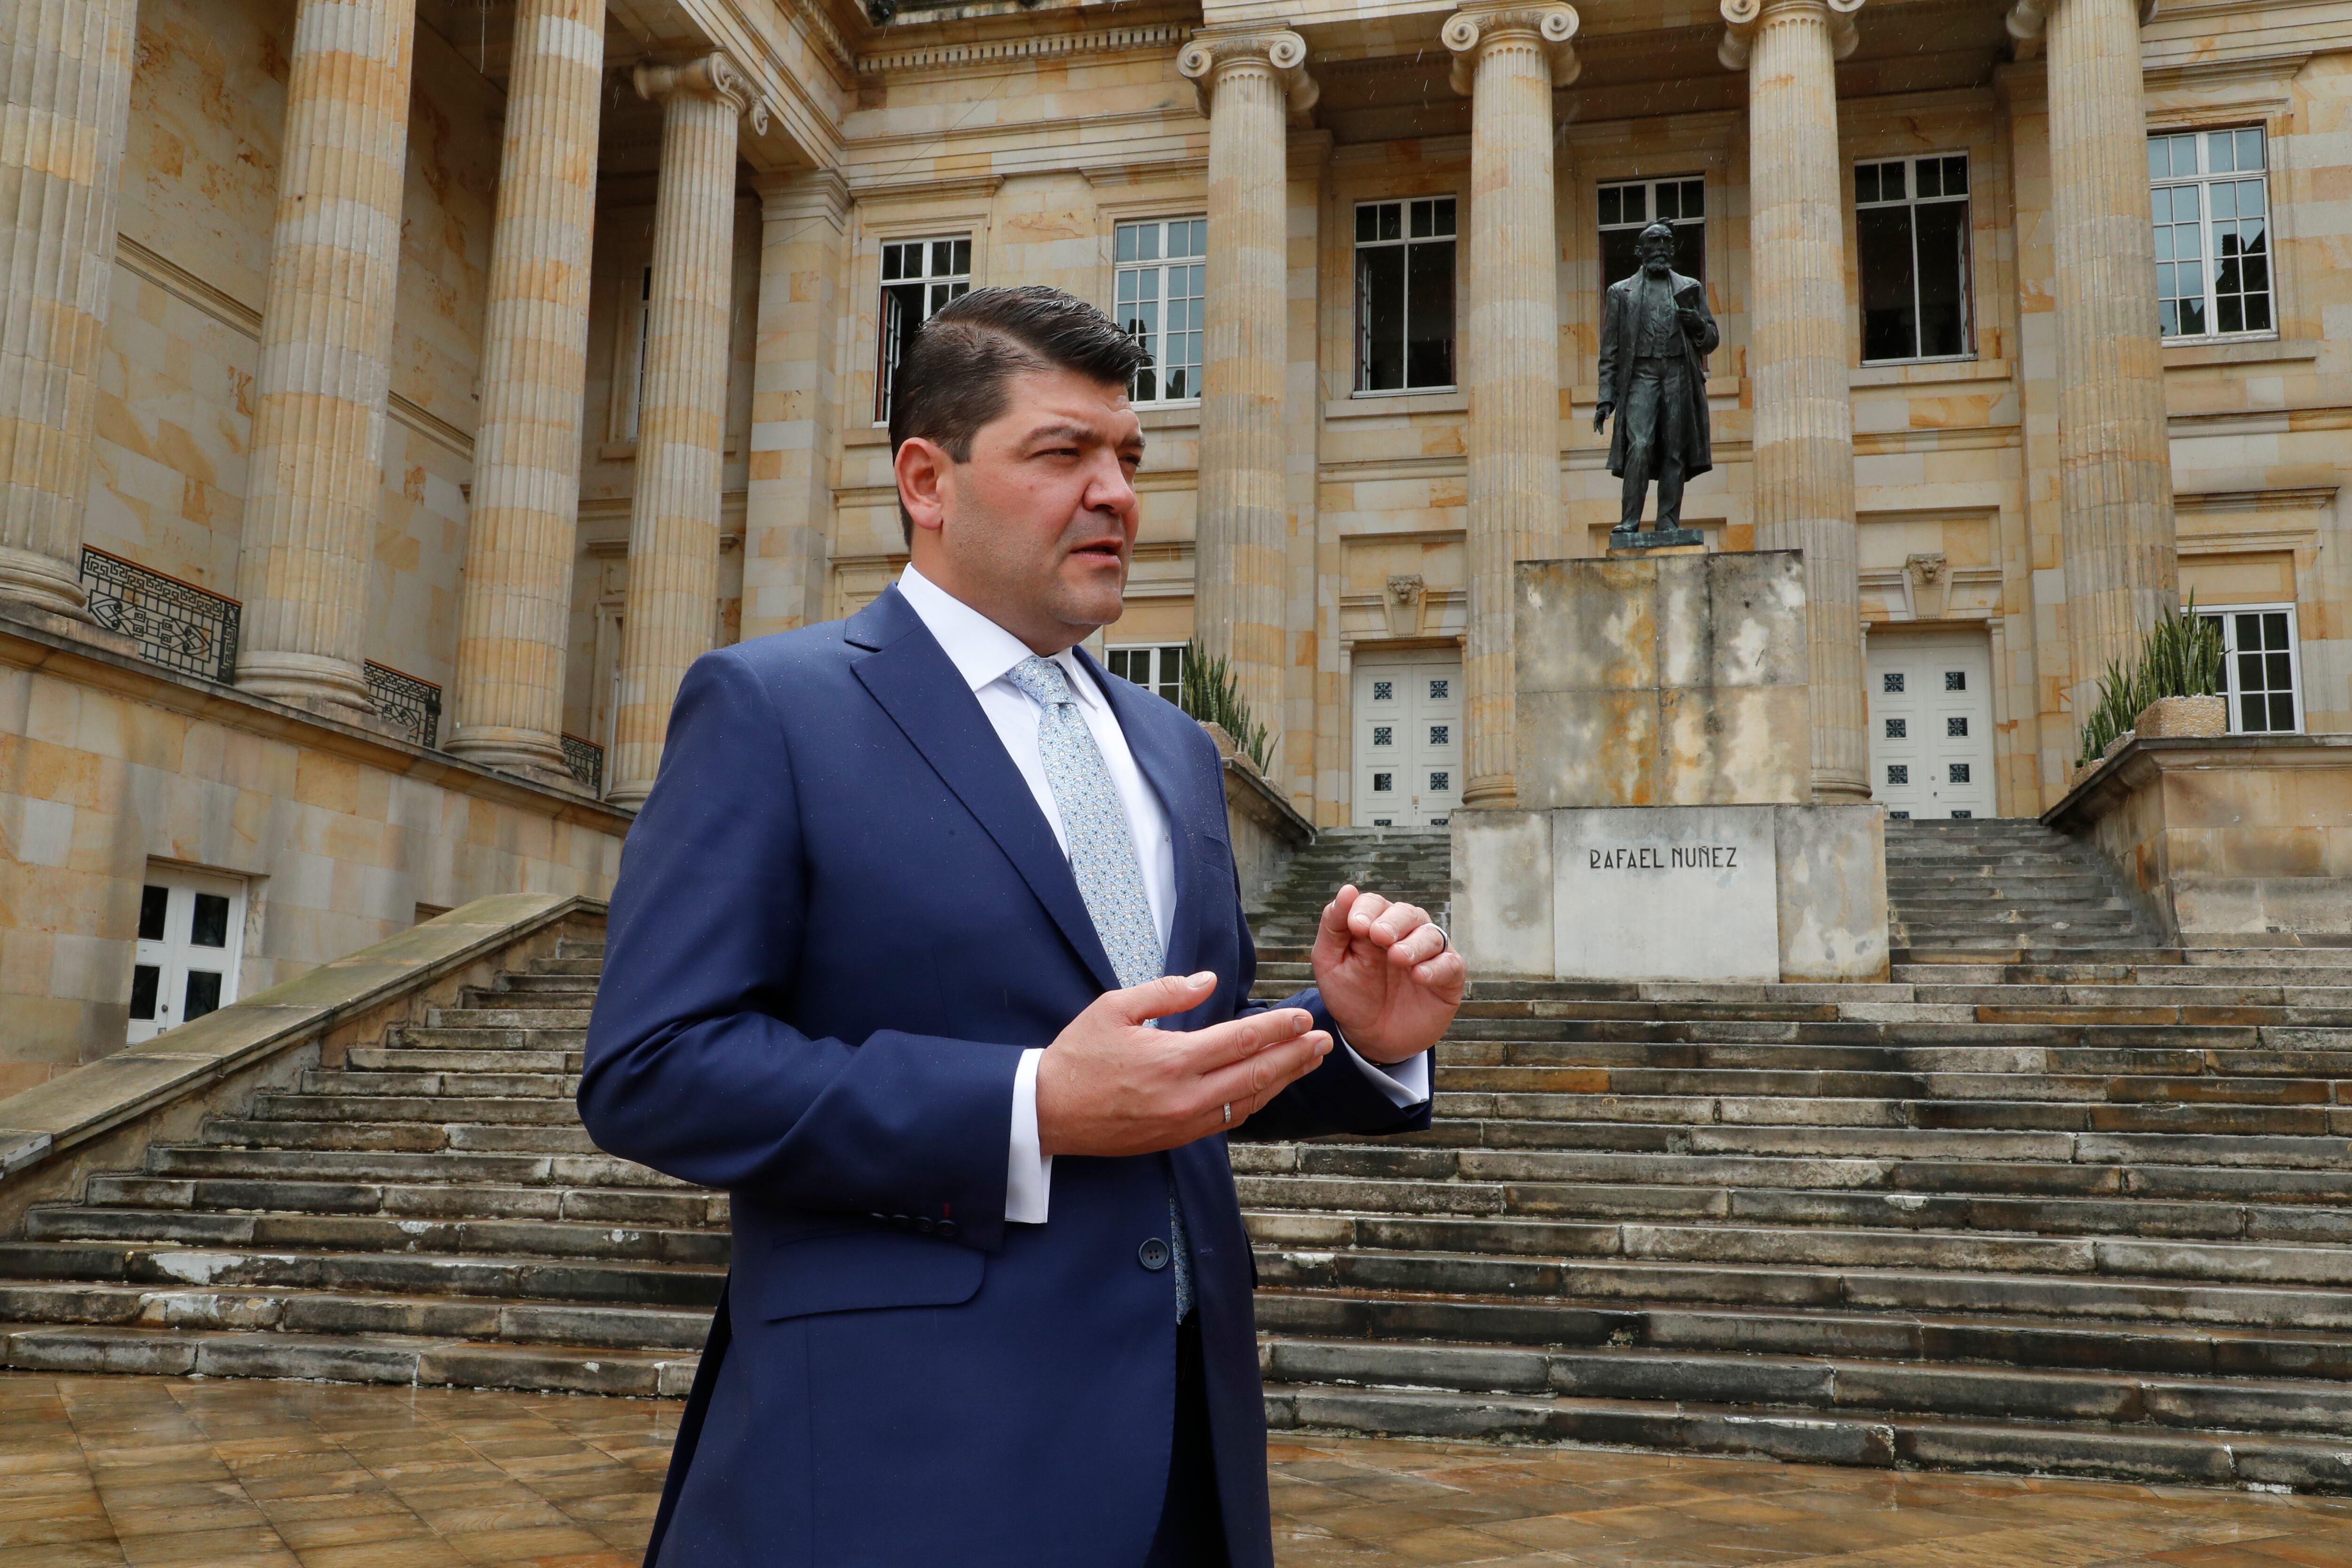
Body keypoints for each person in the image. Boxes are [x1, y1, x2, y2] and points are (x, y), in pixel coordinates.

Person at [578, 284, 1465, 1568]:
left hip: (1180, 1452)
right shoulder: (772, 708)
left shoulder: (1172, 747)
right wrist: (1029, 1104)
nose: (1115, 491)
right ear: (926, 480)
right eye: (1064, 452)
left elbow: (1171, 1060)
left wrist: (1352, 1035)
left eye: (1130, 457)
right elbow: (652, 1068)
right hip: (903, 1462)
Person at [1594, 219, 1719, 537]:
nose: (1661, 247)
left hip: (1678, 372)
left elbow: (1712, 339)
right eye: (1653, 241)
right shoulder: (1620, 293)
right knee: (1640, 444)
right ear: (1640, 251)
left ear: (1673, 248)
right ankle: (1630, 520)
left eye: (1665, 241)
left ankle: (1668, 521)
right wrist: (1606, 398)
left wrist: (1696, 325)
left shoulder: (1689, 288)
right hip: (1641, 375)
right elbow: (1610, 352)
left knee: (1674, 449)